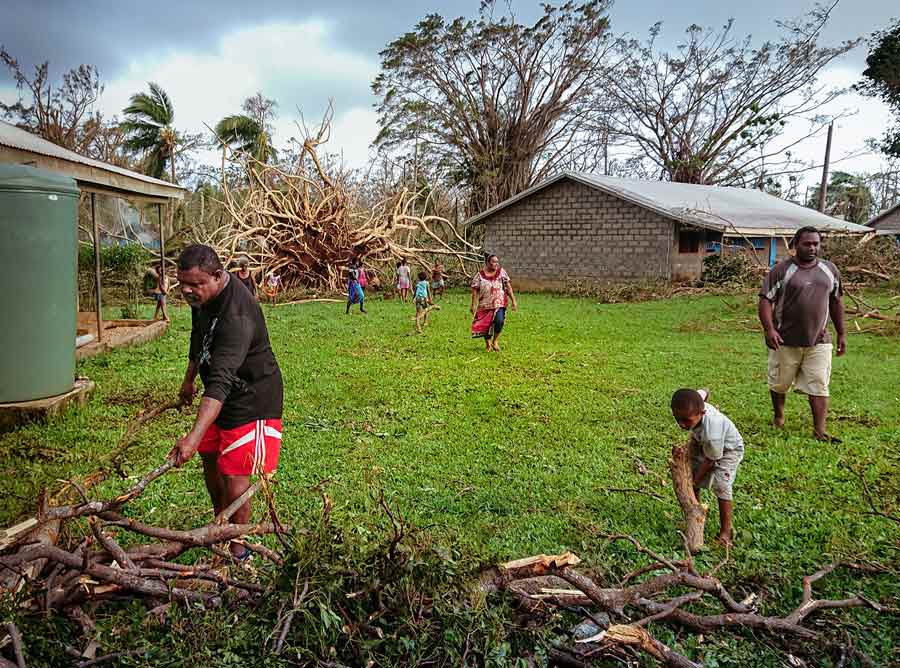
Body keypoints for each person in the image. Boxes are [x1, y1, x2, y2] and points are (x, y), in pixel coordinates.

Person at [170, 244, 284, 560]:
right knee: (209, 458)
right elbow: (198, 337)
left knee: (236, 475)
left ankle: (239, 546)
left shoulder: (237, 314)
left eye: (194, 284)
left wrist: (190, 437)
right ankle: (219, 523)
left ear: (218, 276)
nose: (187, 291)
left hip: (251, 400)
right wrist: (189, 378)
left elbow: (221, 382)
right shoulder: (202, 299)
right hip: (217, 397)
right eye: (182, 283)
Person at [758, 226, 846, 442]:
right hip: (785, 340)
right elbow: (765, 300)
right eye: (807, 243)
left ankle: (819, 430)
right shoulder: (781, 270)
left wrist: (842, 333)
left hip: (819, 340)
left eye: (816, 243)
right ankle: (779, 416)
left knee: (819, 384)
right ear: (795, 245)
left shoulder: (830, 270)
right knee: (780, 383)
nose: (812, 248)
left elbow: (836, 302)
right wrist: (769, 329)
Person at [671, 388, 743, 545]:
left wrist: (694, 482)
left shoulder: (713, 434)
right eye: (677, 419)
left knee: (722, 485)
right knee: (690, 472)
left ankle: (726, 531)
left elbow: (710, 462)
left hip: (728, 450)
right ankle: (695, 516)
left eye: (686, 420)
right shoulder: (696, 403)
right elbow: (704, 391)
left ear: (701, 413)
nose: (681, 424)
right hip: (702, 441)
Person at [470, 254, 517, 352]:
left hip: (499, 303)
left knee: (499, 321)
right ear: (487, 263)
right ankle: (488, 344)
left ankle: (495, 341)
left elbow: (508, 286)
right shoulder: (479, 275)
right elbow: (474, 290)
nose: (496, 264)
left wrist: (513, 301)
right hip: (484, 305)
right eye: (494, 262)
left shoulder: (501, 272)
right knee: (485, 325)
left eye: (497, 262)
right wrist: (473, 304)